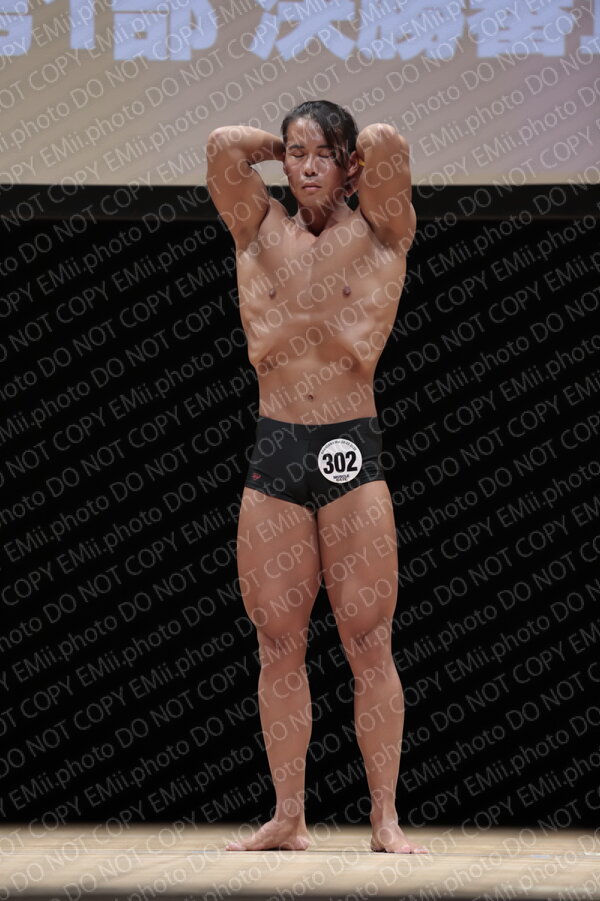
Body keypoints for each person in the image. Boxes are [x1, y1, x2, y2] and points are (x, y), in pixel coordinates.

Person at [206, 100, 426, 854]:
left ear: (348, 165)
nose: (304, 167)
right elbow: (221, 146)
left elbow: (388, 140)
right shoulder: (256, 227)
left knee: (369, 641)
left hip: (349, 449)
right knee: (277, 643)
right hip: (276, 451)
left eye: (320, 155)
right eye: (294, 154)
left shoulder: (383, 231)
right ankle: (289, 816)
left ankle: (384, 817)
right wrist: (289, 142)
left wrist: (348, 150)